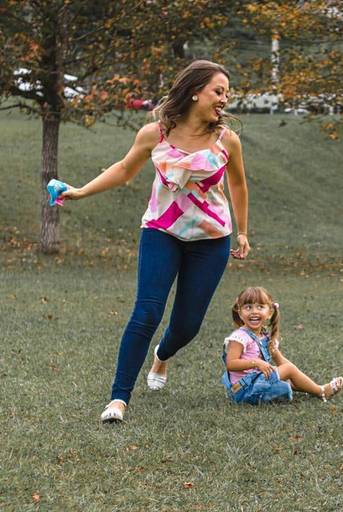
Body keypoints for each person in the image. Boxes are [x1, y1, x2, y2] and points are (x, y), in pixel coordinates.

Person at [61, 60, 251, 423]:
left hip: (211, 240)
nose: (224, 99)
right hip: (160, 233)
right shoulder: (156, 133)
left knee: (187, 325)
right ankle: (118, 399)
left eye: (227, 93)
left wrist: (242, 230)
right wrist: (81, 191)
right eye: (218, 91)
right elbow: (123, 169)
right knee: (146, 312)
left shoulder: (228, 140)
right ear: (195, 91)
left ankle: (162, 355)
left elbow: (239, 184)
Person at [222, 286, 343, 404]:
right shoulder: (240, 337)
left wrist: (290, 372)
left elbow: (281, 361)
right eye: (248, 307)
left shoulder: (264, 337)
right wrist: (257, 363)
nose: (254, 312)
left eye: (260, 307)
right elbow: (230, 364)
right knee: (288, 370)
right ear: (240, 312)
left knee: (286, 373)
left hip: (255, 382)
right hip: (243, 390)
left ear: (269, 312)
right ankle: (321, 391)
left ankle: (312, 388)